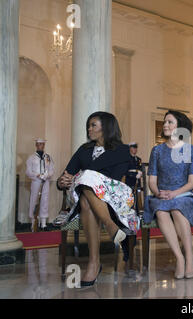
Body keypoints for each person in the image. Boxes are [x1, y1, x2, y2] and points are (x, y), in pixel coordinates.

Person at [57, 111, 139, 287]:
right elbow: (67, 173)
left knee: (87, 182)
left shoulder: (122, 150)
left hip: (111, 200)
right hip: (83, 199)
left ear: (106, 127)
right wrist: (62, 180)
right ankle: (110, 227)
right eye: (89, 125)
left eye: (93, 125)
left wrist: (83, 177)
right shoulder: (84, 150)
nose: (89, 128)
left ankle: (94, 263)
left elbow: (116, 180)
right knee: (86, 194)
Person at [144, 110, 193, 279]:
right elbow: (152, 181)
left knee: (177, 209)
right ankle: (180, 258)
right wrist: (159, 193)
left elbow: (192, 182)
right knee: (161, 211)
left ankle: (190, 256)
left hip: (183, 194)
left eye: (170, 122)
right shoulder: (157, 150)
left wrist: (174, 194)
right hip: (161, 195)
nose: (165, 125)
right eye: (165, 122)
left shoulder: (191, 150)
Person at [121, 142, 143, 271]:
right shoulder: (125, 159)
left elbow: (140, 171)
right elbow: (125, 173)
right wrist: (134, 175)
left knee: (134, 217)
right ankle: (126, 250)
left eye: (136, 148)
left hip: (136, 189)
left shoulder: (138, 160)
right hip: (126, 189)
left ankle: (132, 244)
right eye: (133, 148)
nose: (134, 150)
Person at [26, 138, 54, 231]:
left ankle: (43, 224)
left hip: (45, 181)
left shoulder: (48, 157)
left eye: (42, 144)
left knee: (44, 200)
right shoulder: (31, 158)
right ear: (36, 145)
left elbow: (51, 170)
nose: (41, 146)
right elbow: (28, 172)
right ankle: (34, 223)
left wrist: (47, 175)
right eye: (39, 144)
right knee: (34, 201)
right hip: (36, 181)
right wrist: (36, 175)